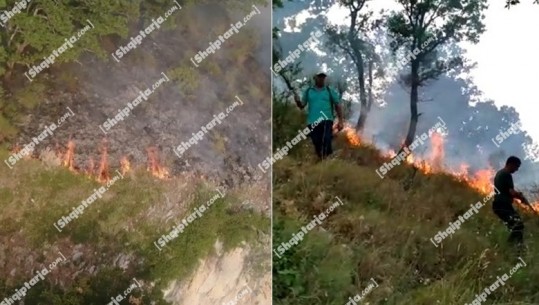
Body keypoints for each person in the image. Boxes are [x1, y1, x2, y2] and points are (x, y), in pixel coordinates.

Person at [293, 72, 344, 160]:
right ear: (315, 78)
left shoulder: (329, 90)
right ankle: (322, 159)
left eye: (323, 77)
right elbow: (302, 106)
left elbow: (337, 105)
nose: (322, 79)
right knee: (316, 141)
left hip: (326, 120)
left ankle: (327, 159)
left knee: (326, 139)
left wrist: (341, 121)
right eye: (319, 77)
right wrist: (297, 101)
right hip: (312, 121)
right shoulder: (309, 91)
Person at [492, 156, 530, 253]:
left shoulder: (500, 173)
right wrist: (521, 197)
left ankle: (514, 249)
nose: (517, 169)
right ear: (511, 164)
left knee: (516, 225)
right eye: (516, 166)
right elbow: (511, 192)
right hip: (502, 205)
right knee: (518, 225)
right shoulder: (506, 174)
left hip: (499, 205)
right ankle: (513, 250)